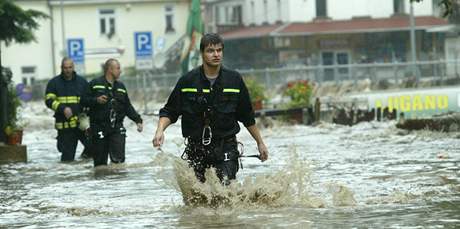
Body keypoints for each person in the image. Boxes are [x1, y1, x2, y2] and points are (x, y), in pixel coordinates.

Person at [153, 33, 269, 185]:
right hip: (197, 149)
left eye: (219, 50)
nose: (216, 54)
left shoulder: (234, 80)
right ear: (202, 53)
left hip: (226, 147)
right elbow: (170, 111)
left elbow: (247, 116)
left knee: (225, 190)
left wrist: (260, 143)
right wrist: (160, 130)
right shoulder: (187, 81)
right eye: (210, 51)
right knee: (199, 197)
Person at [82, 58, 143, 167]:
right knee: (100, 165)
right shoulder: (95, 84)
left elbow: (127, 106)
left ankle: (117, 182)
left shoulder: (121, 87)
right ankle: (104, 182)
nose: (120, 71)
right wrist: (96, 100)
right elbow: (82, 101)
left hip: (116, 128)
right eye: (118, 68)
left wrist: (138, 120)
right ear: (110, 69)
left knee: (118, 163)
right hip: (99, 127)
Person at [45, 57, 92, 161]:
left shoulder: (82, 82)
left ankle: (84, 165)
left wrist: (87, 120)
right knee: (67, 159)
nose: (68, 70)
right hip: (65, 127)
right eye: (65, 68)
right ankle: (68, 175)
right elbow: (49, 101)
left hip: (81, 123)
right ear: (61, 68)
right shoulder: (54, 83)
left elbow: (88, 101)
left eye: (70, 67)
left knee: (93, 146)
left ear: (73, 67)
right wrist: (63, 108)